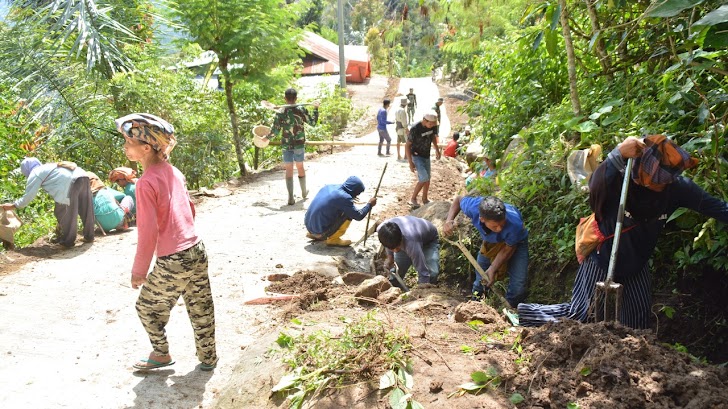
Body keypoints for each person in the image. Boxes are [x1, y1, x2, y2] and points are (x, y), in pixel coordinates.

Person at [517, 135, 728, 329]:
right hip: (604, 254)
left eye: (666, 180)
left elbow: (715, 207)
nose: (662, 185)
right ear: (642, 171)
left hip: (637, 260)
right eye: (657, 180)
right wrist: (617, 154)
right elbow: (595, 189)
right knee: (582, 314)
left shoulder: (677, 187)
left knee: (636, 323)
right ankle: (525, 316)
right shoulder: (621, 176)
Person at [116, 113, 217, 372]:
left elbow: (147, 232)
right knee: (200, 307)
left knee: (146, 308)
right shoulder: (174, 171)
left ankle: (161, 354)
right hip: (196, 248)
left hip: (174, 258)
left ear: (146, 147)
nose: (125, 147)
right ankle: (208, 358)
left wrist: (140, 270)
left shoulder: (145, 182)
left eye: (128, 142)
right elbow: (190, 209)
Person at [444, 195, 529, 306]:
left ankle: (510, 308)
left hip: (515, 243)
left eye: (502, 224)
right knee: (482, 277)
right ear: (482, 219)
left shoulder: (514, 224)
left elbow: (508, 248)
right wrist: (449, 220)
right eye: (495, 226)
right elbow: (458, 200)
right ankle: (475, 304)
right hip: (491, 242)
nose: (499, 229)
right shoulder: (473, 207)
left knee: (518, 285)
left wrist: (493, 268)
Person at [2, 157, 94, 248]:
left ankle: (67, 242)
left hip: (70, 182)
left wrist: (14, 205)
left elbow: (28, 196)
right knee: (86, 207)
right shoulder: (47, 166)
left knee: (63, 211)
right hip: (83, 176)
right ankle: (89, 236)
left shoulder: (35, 173)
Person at [263, 88, 319, 205]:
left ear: (285, 98)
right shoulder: (301, 109)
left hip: (286, 144)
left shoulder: (281, 111)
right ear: (296, 98)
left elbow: (275, 131)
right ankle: (304, 192)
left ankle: (290, 198)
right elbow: (313, 123)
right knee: (300, 166)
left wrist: (266, 138)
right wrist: (316, 109)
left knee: (289, 169)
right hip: (299, 143)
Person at [304, 176, 377, 247]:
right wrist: (369, 205)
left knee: (340, 208)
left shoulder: (329, 187)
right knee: (348, 214)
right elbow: (358, 216)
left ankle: (314, 232)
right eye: (357, 193)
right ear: (354, 190)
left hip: (309, 227)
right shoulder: (344, 198)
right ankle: (333, 239)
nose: (357, 195)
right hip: (320, 233)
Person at [378, 216, 440, 286]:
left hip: (428, 241)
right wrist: (390, 258)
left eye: (397, 247)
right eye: (392, 248)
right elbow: (388, 244)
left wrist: (422, 290)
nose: (395, 251)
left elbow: (423, 273)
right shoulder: (381, 230)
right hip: (406, 241)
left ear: (401, 238)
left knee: (432, 273)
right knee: (396, 274)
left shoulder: (411, 242)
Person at [406, 111, 441, 208]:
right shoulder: (415, 129)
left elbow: (433, 136)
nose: (432, 125)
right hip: (416, 155)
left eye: (433, 124)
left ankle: (425, 199)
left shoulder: (433, 126)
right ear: (424, 120)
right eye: (430, 124)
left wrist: (437, 149)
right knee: (424, 178)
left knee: (428, 178)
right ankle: (413, 198)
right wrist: (410, 162)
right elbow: (407, 145)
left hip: (426, 155)